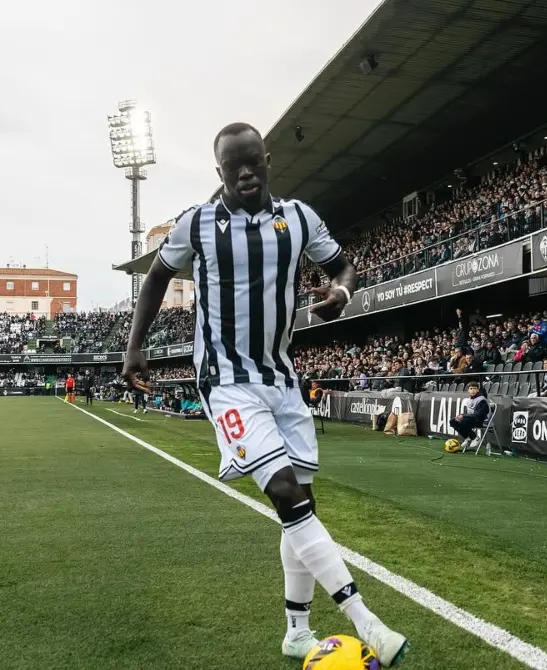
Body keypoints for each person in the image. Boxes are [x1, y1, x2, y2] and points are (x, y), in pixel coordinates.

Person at [120, 122, 408, 666]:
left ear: (268, 159)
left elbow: (343, 262)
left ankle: (297, 632)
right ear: (220, 172)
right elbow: (157, 277)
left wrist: (342, 291)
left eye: (253, 162)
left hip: (282, 376)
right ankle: (365, 620)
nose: (246, 173)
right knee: (284, 492)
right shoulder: (198, 224)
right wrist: (136, 346)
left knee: (300, 503)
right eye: (234, 167)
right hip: (226, 380)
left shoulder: (299, 218)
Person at [448, 383, 489, 451]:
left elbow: (479, 415)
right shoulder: (469, 400)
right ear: (468, 390)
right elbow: (469, 413)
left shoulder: (482, 400)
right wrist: (461, 415)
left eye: (475, 388)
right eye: (471, 388)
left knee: (463, 421)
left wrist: (463, 416)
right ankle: (467, 438)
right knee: (453, 421)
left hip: (481, 420)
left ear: (478, 390)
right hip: (472, 420)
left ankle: (475, 438)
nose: (473, 390)